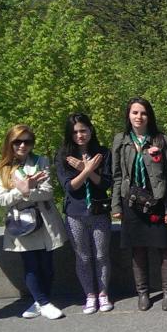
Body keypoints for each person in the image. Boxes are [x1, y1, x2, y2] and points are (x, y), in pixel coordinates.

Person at [0, 124, 69, 320]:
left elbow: (48, 192)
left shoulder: (40, 161)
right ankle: (44, 303)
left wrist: (27, 191)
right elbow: (2, 199)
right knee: (30, 264)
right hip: (22, 222)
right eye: (17, 141)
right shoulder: (3, 167)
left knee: (47, 264)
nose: (22, 146)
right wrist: (23, 189)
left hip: (44, 220)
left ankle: (40, 301)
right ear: (9, 143)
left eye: (27, 141)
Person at [111, 97, 167, 311]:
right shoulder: (121, 140)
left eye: (143, 113)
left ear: (150, 116)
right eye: (135, 113)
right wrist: (116, 206)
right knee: (137, 248)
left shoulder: (161, 139)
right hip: (131, 201)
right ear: (128, 115)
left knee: (164, 247)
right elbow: (117, 175)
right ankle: (143, 293)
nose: (139, 117)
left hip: (156, 199)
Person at [55, 113, 113, 315]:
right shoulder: (63, 155)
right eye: (75, 132)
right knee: (84, 257)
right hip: (75, 213)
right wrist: (86, 170)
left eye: (83, 130)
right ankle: (89, 295)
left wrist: (90, 170)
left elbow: (106, 183)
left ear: (90, 130)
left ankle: (103, 293)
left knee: (101, 255)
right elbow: (70, 187)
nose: (80, 135)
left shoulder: (102, 153)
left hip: (98, 211)